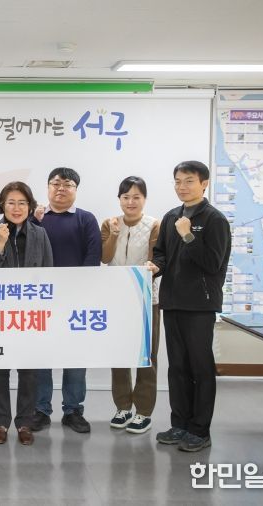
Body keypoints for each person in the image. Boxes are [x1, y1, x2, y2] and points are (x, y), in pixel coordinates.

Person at [147, 160, 231, 452]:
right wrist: (155, 266)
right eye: (178, 181)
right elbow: (161, 254)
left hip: (200, 305)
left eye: (189, 181)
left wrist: (188, 235)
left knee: (200, 368)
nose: (182, 187)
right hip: (172, 301)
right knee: (178, 367)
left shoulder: (215, 219)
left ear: (204, 184)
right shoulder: (172, 216)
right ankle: (180, 424)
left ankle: (200, 430)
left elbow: (213, 263)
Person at [0, 181, 53, 446]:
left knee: (29, 371)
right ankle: (0, 422)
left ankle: (24, 422)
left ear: (30, 206)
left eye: (22, 203)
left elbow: (49, 271)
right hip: (0, 313)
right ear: (2, 205)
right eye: (11, 202)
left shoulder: (40, 234)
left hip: (31, 312)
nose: (17, 208)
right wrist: (0, 242)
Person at [31, 167, 101, 434]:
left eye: (67, 184)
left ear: (76, 189)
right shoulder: (36, 217)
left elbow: (93, 256)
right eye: (55, 183)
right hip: (41, 300)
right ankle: (40, 410)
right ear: (48, 187)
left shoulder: (85, 219)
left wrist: (77, 291)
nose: (61, 188)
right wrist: (34, 221)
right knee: (42, 356)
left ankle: (73, 411)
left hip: (75, 300)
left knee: (75, 357)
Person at [101, 176, 160, 434]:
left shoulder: (154, 225)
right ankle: (123, 407)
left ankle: (144, 411)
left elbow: (154, 260)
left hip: (146, 298)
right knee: (119, 353)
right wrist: (114, 234)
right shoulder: (109, 223)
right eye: (126, 197)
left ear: (144, 199)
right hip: (116, 298)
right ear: (119, 199)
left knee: (146, 355)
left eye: (136, 197)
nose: (131, 202)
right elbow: (104, 257)